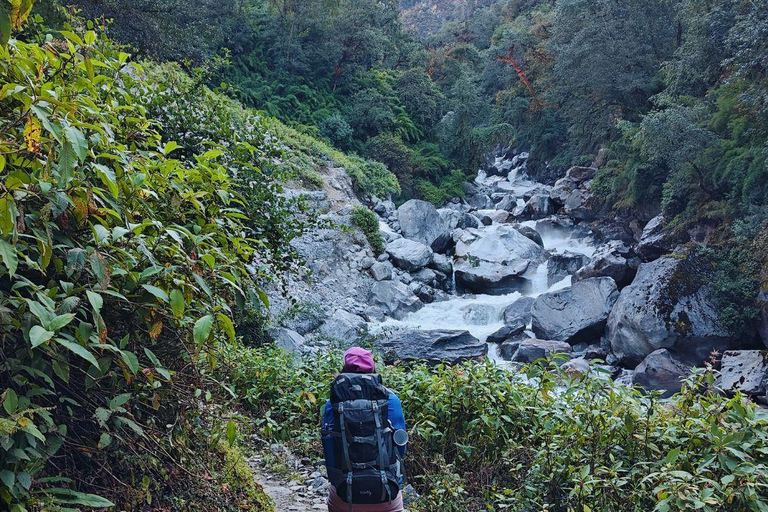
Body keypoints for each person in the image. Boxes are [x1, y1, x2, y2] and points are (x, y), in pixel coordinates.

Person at [321, 347, 406, 512]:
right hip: (387, 494)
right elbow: (400, 449)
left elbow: (329, 450)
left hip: (345, 495)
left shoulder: (332, 405)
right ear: (373, 369)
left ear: (344, 369)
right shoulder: (391, 400)